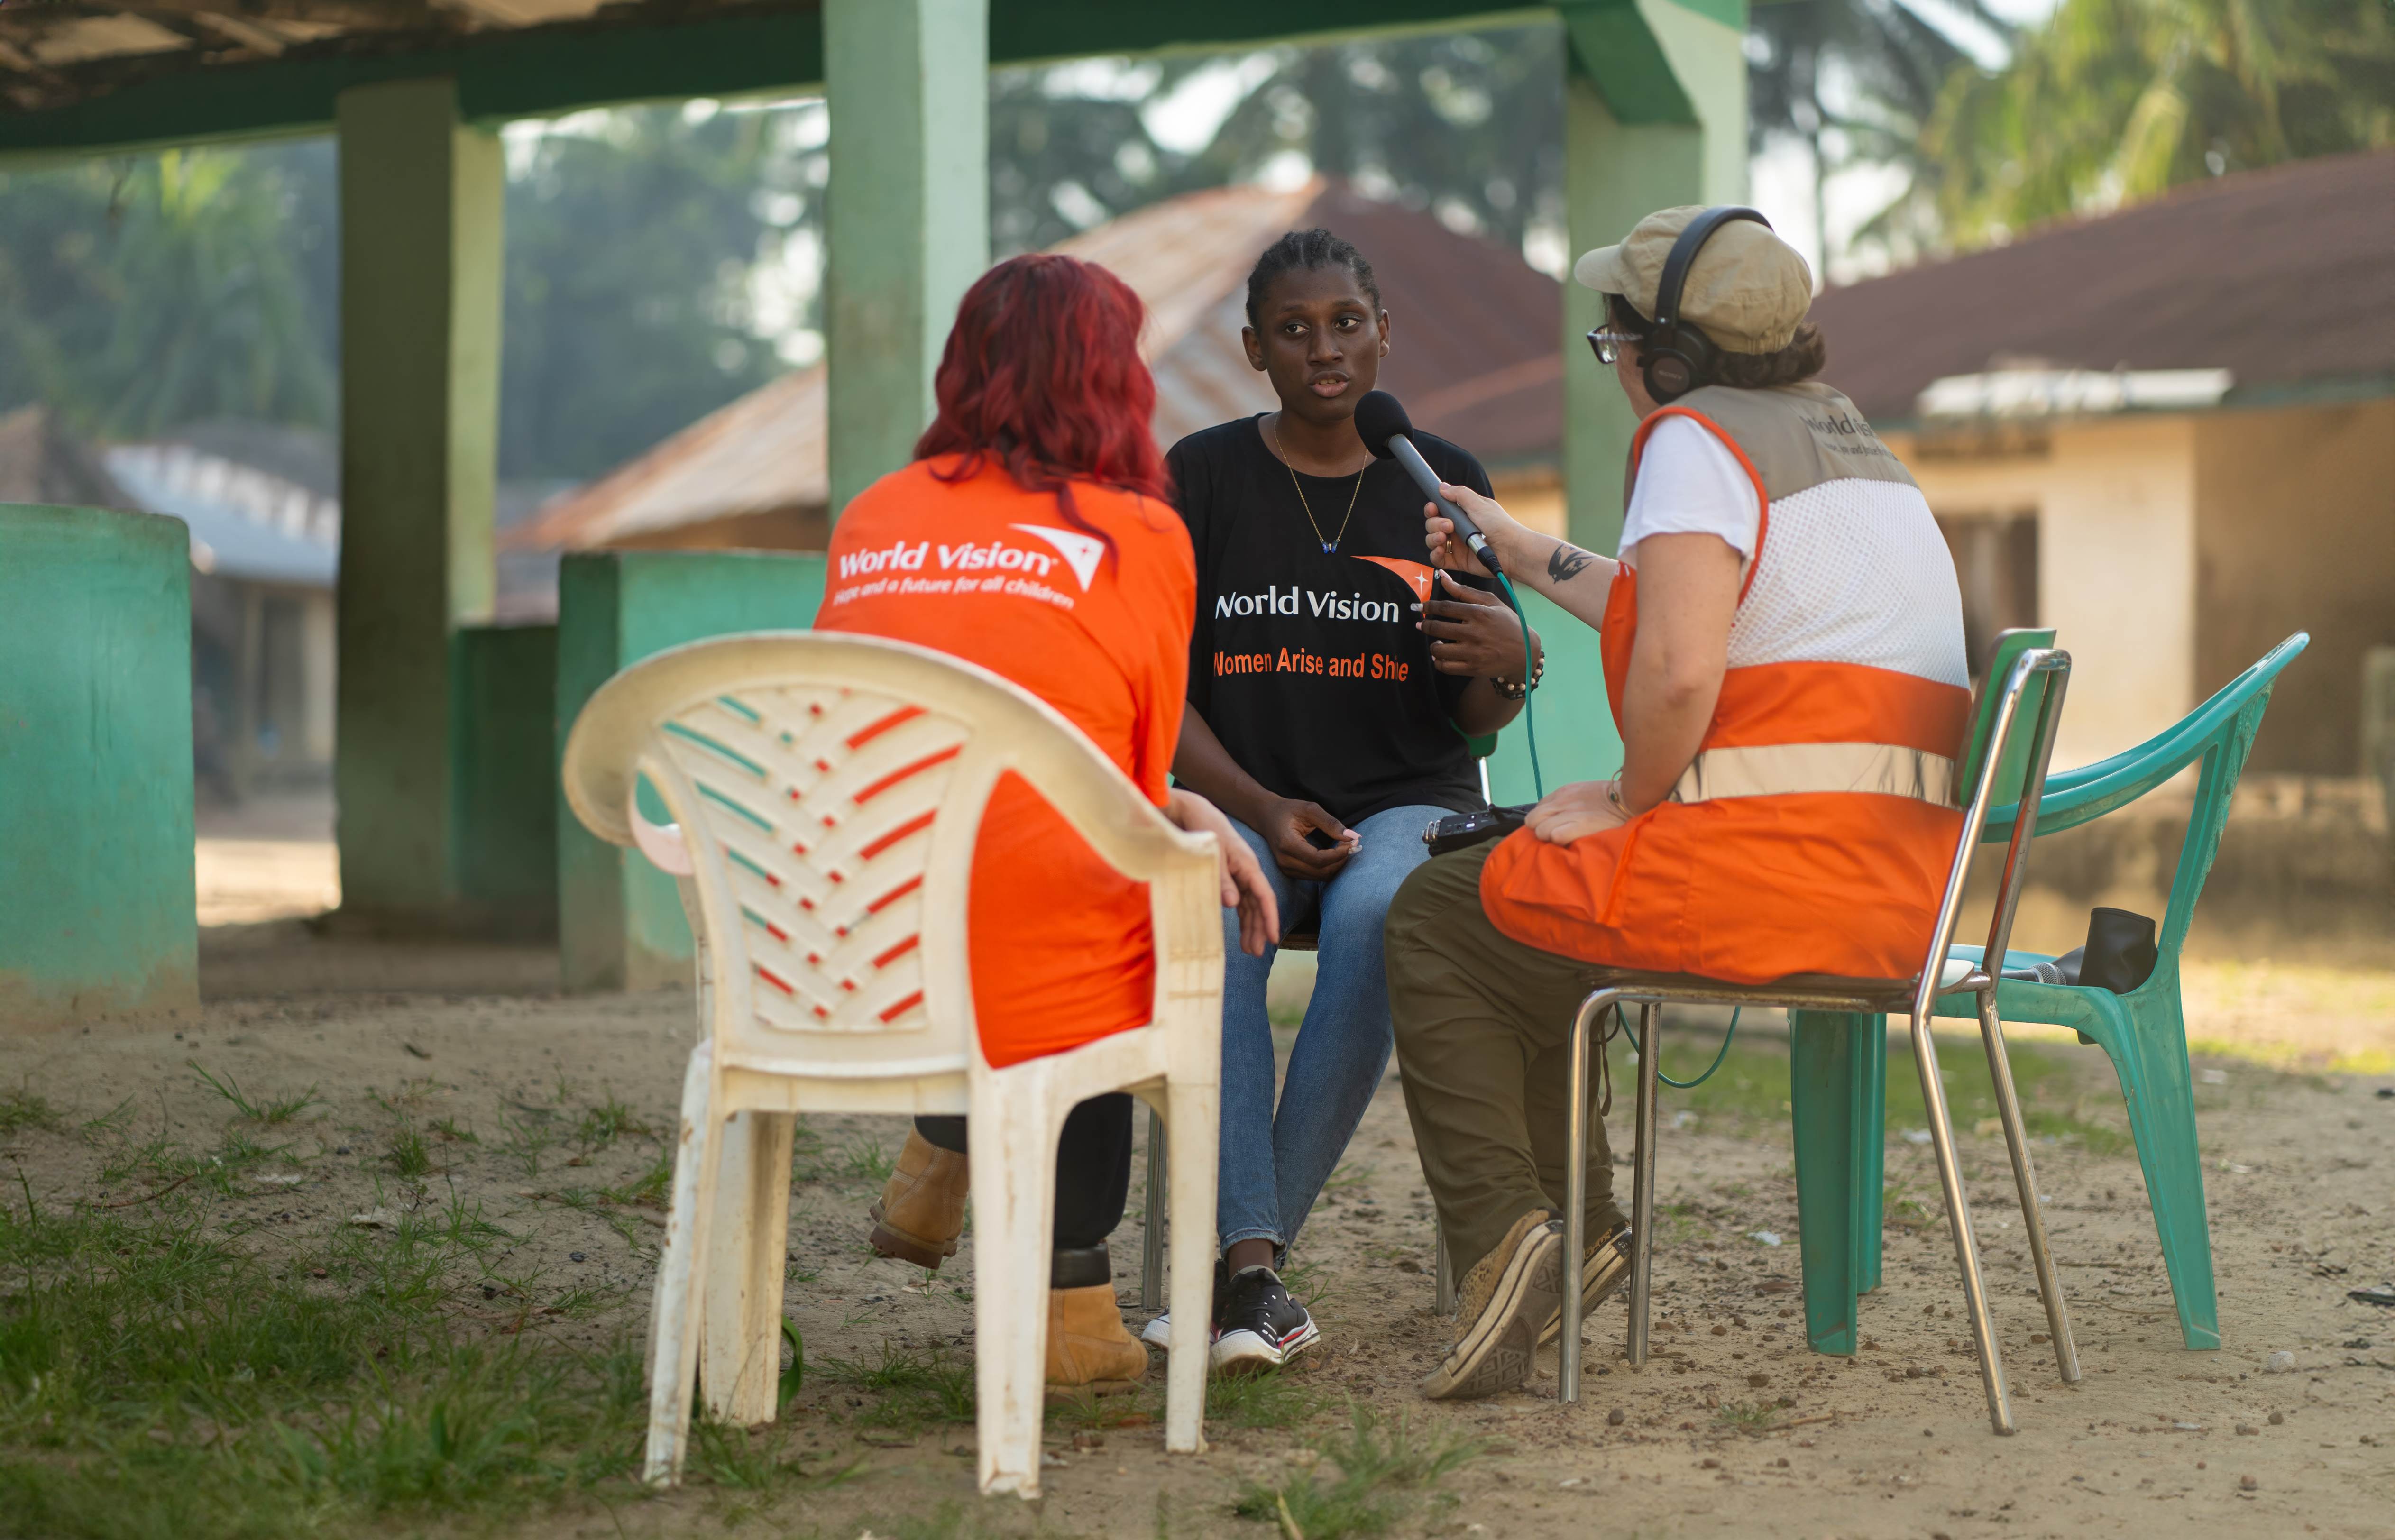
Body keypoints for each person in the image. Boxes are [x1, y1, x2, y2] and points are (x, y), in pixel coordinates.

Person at [1386, 206, 1972, 1400]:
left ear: (1669, 357)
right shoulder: (1853, 447)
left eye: (1616, 344)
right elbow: (1679, 611)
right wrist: (1510, 539)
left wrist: (1621, 792)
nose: (1617, 371)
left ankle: (1514, 1235)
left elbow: (1679, 669)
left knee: (1442, 912)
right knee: (1525, 899)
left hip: (1778, 879)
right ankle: (1585, 1235)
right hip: (1892, 888)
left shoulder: (1692, 440)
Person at [825, 252, 1277, 1395]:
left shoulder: (876, 511)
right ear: (1112, 378)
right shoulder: (1140, 531)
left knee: (986, 885)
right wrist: (1193, 811)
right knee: (1108, 912)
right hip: (1031, 946)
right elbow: (1120, 788)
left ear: (964, 366)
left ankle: (942, 1145)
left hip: (848, 944)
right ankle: (1070, 1308)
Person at [1158, 229, 1543, 1373]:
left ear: (1385, 332)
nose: (1323, 348)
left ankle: (1243, 1265)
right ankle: (1255, 1275)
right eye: (1294, 329)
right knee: (1218, 900)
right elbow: (1161, 695)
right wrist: (1260, 807)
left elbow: (1483, 717)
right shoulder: (1206, 474)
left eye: (1346, 323)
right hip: (1248, 797)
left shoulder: (1440, 474)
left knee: (1386, 913)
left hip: (1407, 800)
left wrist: (1510, 650)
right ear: (1253, 349)